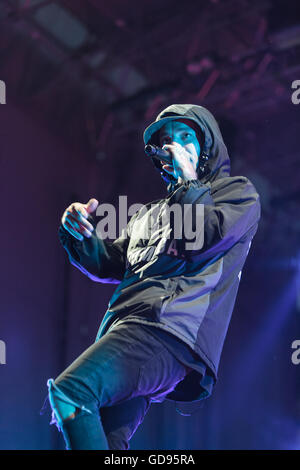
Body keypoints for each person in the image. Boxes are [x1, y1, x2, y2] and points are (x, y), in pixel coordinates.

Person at [45, 104, 261, 450]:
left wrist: (190, 182)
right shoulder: (148, 214)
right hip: (128, 327)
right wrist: (80, 234)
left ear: (207, 144)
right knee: (108, 439)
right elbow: (111, 263)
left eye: (186, 137)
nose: (174, 146)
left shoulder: (237, 194)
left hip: (169, 332)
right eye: (166, 141)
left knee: (72, 393)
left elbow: (201, 238)